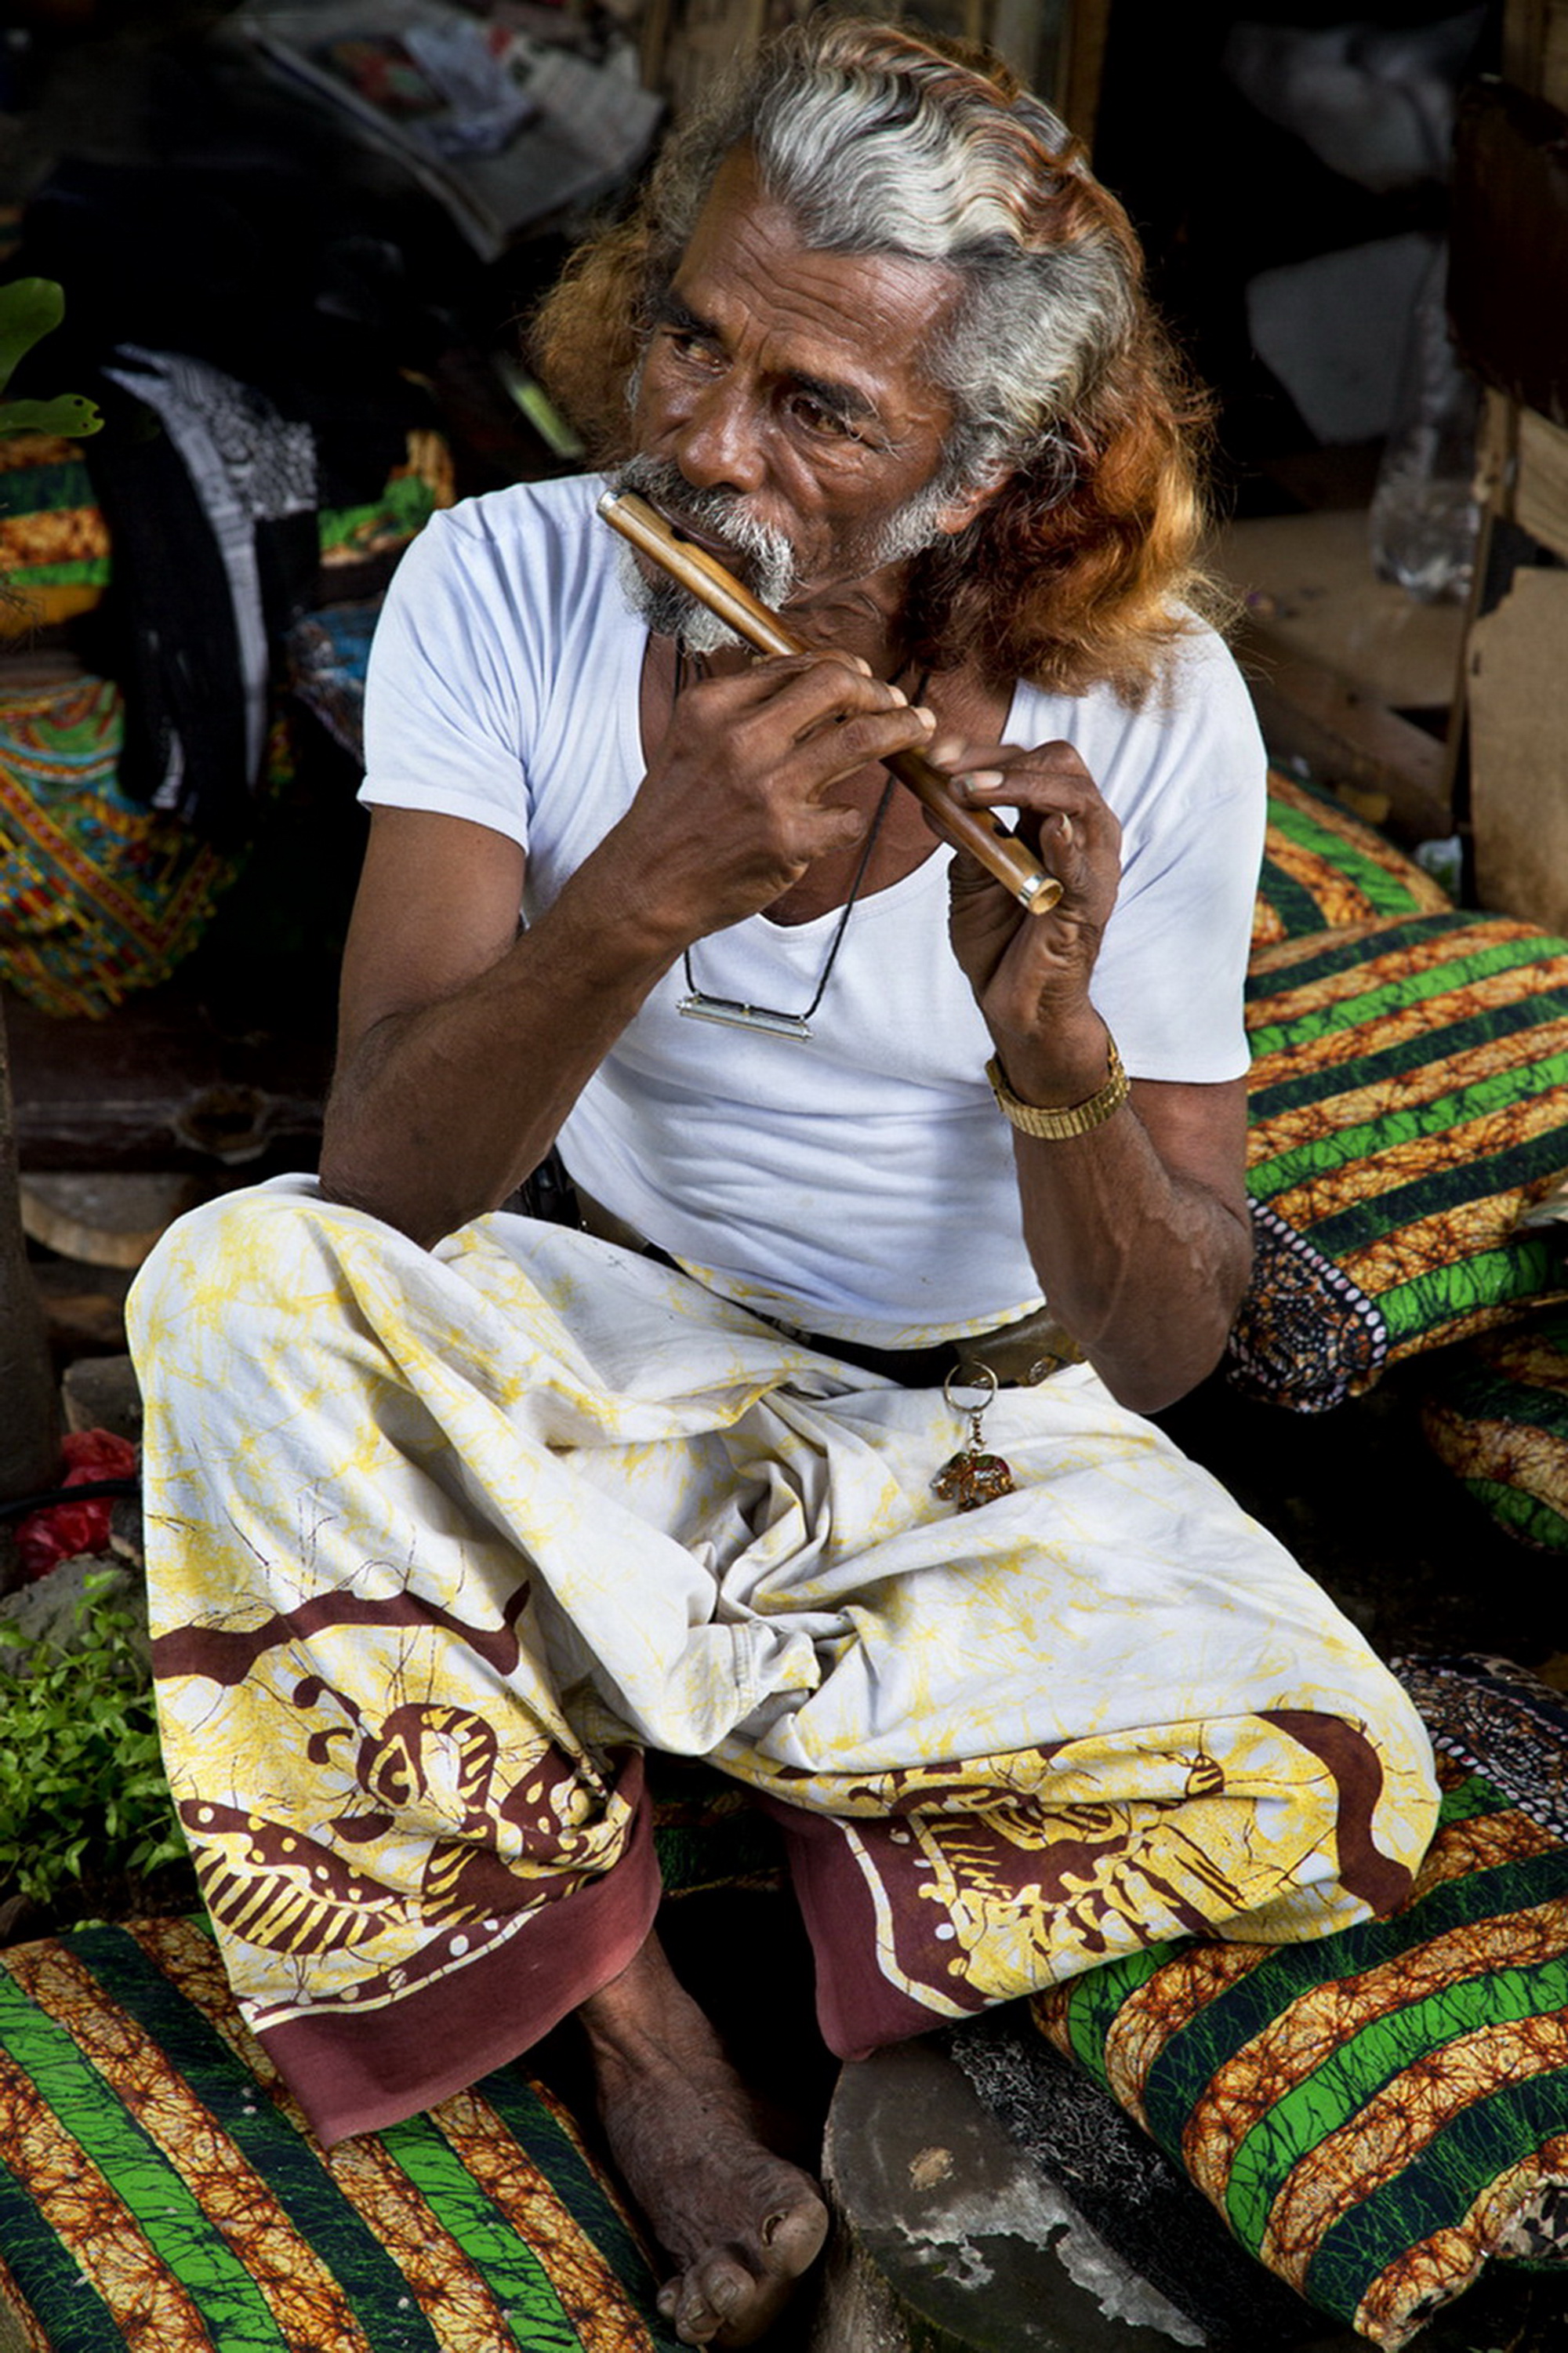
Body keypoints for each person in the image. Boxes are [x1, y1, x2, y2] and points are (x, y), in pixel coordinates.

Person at [129, 21, 1439, 2348]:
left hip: (957, 1432)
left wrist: (1061, 1077)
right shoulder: (502, 585)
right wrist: (638, 897)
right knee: (234, 1290)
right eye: (692, 339)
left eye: (819, 409)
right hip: (584, 1346)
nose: (706, 441)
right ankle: (653, 2032)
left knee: (1337, 1777)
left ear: (996, 468)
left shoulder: (1158, 714)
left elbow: (1161, 1347)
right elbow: (377, 1181)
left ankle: (636, 1744)